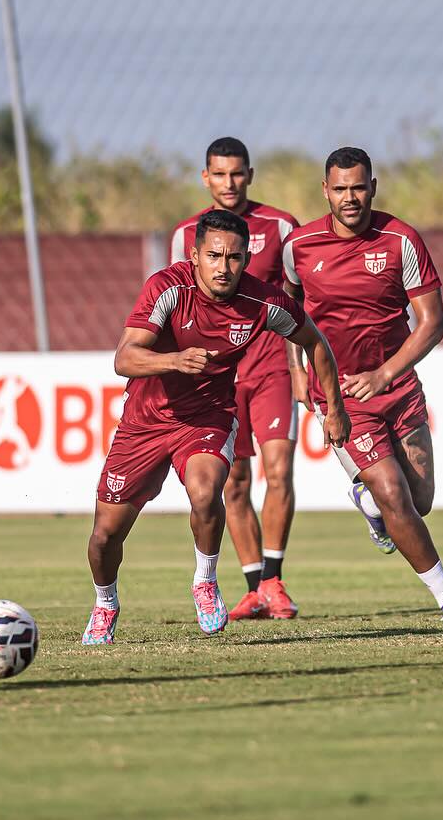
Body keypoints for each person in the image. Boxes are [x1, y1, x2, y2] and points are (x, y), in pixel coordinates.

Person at [82, 210, 349, 645]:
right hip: (145, 422)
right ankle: (105, 604)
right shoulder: (168, 287)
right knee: (104, 536)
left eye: (234, 257)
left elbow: (314, 342)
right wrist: (173, 360)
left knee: (207, 493)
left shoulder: (263, 302)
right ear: (195, 255)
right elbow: (124, 358)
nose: (223, 267)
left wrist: (333, 406)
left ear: (247, 258)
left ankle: (205, 582)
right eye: (213, 256)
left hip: (208, 415)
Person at [283, 147, 443, 621]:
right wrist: (297, 370)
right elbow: (286, 313)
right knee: (392, 492)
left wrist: (385, 374)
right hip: (342, 398)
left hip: (399, 389)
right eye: (340, 188)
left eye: (358, 187)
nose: (350, 198)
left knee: (418, 501)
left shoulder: (400, 239)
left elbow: (432, 323)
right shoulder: (299, 248)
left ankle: (368, 503)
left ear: (373, 186)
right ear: (325, 190)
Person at [169, 137, 303, 622]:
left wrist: (299, 366)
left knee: (280, 472)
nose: (229, 183)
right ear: (205, 177)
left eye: (237, 173)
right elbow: (174, 305)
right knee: (236, 482)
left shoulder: (282, 225)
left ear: (250, 174)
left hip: (271, 367)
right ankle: (253, 589)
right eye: (219, 174)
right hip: (220, 377)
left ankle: (274, 581)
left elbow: (297, 302)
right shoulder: (187, 233)